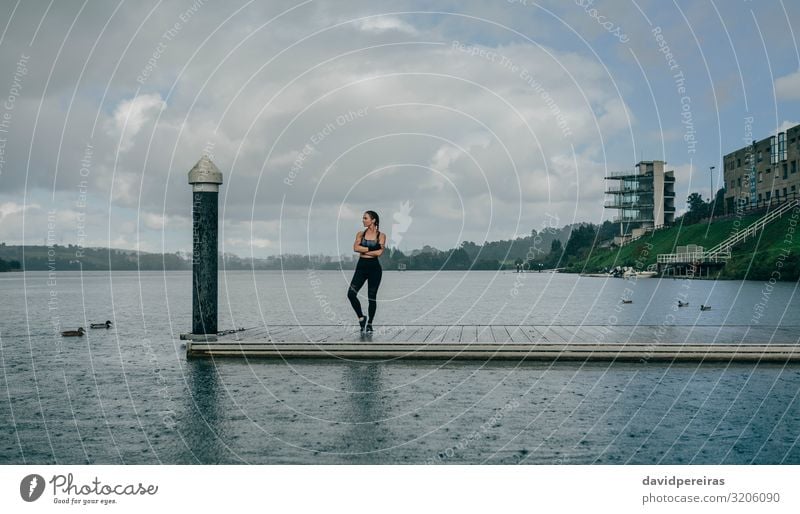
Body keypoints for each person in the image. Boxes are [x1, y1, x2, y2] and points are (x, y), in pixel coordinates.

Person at [347, 210, 386, 333]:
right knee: (351, 294)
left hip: (375, 268)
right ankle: (361, 318)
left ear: (373, 220)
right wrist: (371, 248)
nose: (363, 220)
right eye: (363, 218)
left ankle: (369, 323)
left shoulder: (381, 235)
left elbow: (379, 253)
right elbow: (355, 248)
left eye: (365, 218)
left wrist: (363, 250)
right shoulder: (360, 234)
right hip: (361, 266)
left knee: (371, 297)